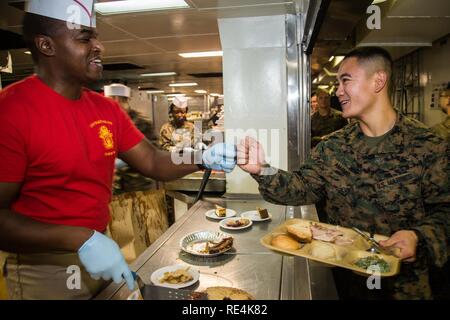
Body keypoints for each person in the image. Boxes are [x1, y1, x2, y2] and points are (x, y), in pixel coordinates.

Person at [0, 0, 236, 300]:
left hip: (101, 250)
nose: (99, 47)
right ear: (47, 45)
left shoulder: (105, 109)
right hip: (47, 269)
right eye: (85, 38)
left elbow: (152, 160)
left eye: (96, 37)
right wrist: (79, 238)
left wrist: (201, 156)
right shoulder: (13, 110)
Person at [238, 47, 449, 299]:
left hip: (404, 285)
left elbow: (445, 211)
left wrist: (418, 236)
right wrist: (263, 169)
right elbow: (303, 187)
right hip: (344, 281)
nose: (338, 91)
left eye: (345, 81)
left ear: (378, 81)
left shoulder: (428, 146)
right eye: (337, 83)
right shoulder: (333, 146)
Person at [104, 83, 154, 194]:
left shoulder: (140, 123)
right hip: (114, 188)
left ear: (116, 99)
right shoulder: (107, 122)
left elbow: (153, 154)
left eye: (108, 100)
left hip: (136, 187)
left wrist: (124, 160)